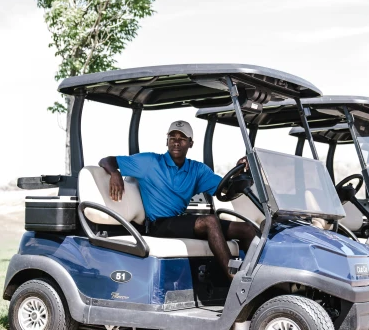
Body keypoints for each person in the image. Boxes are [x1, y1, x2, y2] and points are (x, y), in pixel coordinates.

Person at [99, 120, 258, 280]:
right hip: (158, 225)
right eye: (172, 138)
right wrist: (115, 173)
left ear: (190, 143)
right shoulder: (149, 162)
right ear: (166, 141)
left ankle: (254, 276)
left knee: (248, 229)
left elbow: (224, 189)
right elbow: (106, 161)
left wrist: (239, 174)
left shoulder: (197, 170)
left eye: (182, 139)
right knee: (210, 221)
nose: (176, 142)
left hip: (179, 222)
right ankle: (235, 279)